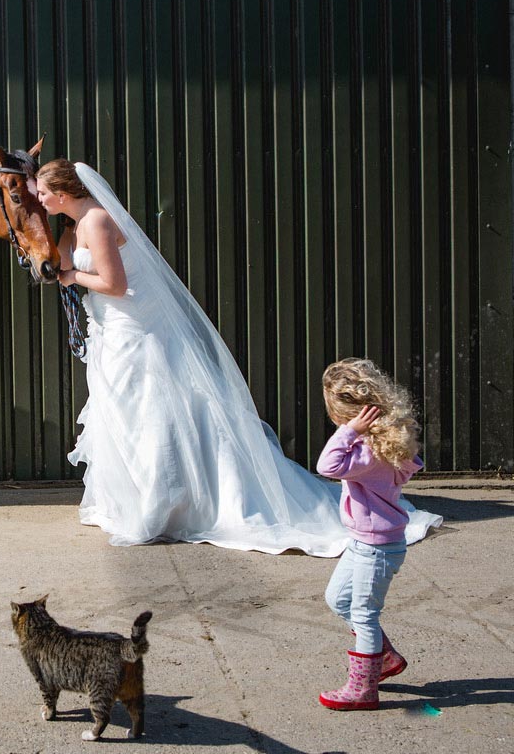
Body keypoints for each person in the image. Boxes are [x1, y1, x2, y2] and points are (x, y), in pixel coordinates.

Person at [32, 159, 442, 556]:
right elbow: (64, 265)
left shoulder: (99, 220)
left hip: (135, 330)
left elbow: (114, 284)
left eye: (44, 192)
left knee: (146, 411)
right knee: (121, 412)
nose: (40, 197)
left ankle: (163, 505)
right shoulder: (71, 225)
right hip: (110, 331)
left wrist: (70, 276)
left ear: (64, 192)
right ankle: (134, 499)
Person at [316, 358, 421, 710]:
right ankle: (384, 657)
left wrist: (349, 432)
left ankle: (362, 689)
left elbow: (326, 465)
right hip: (370, 544)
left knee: (363, 614)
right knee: (338, 599)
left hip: (373, 549)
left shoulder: (364, 452)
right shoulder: (388, 445)